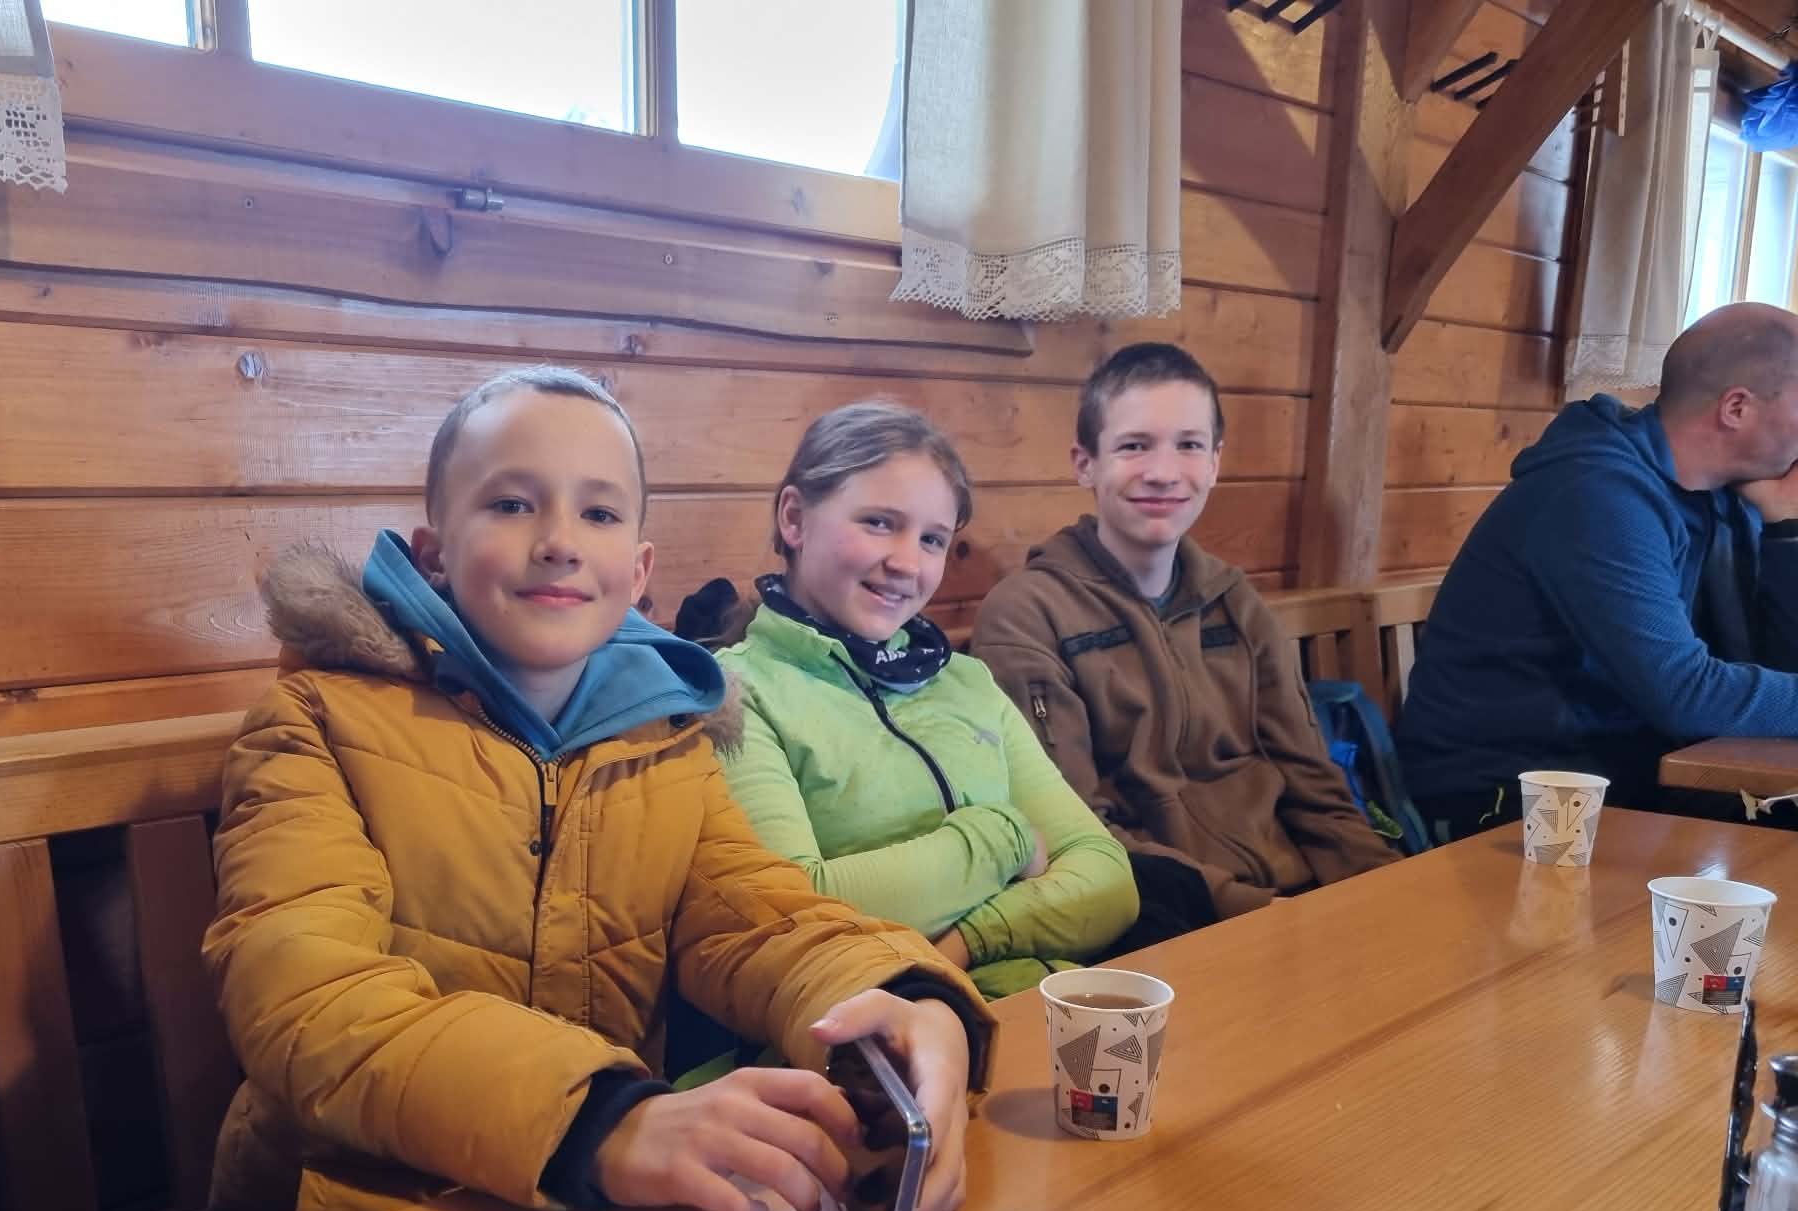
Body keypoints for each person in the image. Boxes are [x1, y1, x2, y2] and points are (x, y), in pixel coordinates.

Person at [203, 366, 995, 1211]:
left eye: (600, 514)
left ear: (638, 568)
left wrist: (903, 1001)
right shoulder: (315, 722)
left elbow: (762, 920)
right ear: (434, 554)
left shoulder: (667, 743)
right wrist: (605, 1122)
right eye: (511, 504)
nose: (559, 542)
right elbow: (306, 1000)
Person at [716, 402, 1139, 1001]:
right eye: (878, 523)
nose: (907, 564)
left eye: (933, 539)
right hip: (874, 1027)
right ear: (794, 518)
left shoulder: (966, 681)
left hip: (1039, 1004)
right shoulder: (737, 692)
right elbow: (795, 916)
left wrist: (967, 941)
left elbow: (1109, 880)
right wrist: (1004, 837)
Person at [973, 343, 1398, 920]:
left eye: (1189, 445)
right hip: (1170, 914)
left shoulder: (1235, 601)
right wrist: (1258, 913)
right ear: (1085, 464)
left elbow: (1314, 784)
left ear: (1215, 462)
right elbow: (1076, 831)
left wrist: (1385, 890)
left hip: (1297, 895)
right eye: (1134, 446)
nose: (1163, 472)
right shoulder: (1026, 615)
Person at [1397, 303, 1798, 836]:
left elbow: (1770, 665)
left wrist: (1785, 527)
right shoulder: (1597, 495)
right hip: (1511, 794)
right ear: (1737, 408)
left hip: (1625, 777)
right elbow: (1685, 694)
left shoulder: (1720, 497)